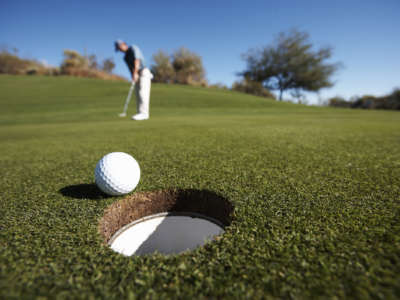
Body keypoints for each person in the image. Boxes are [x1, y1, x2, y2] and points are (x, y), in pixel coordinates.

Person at [115, 40, 153, 120]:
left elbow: (137, 60)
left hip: (144, 72)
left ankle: (144, 114)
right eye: (118, 49)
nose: (120, 50)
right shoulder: (125, 57)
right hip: (136, 74)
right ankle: (140, 113)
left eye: (119, 48)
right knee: (137, 94)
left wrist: (135, 73)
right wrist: (133, 76)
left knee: (143, 92)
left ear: (123, 44)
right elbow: (130, 68)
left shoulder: (133, 48)